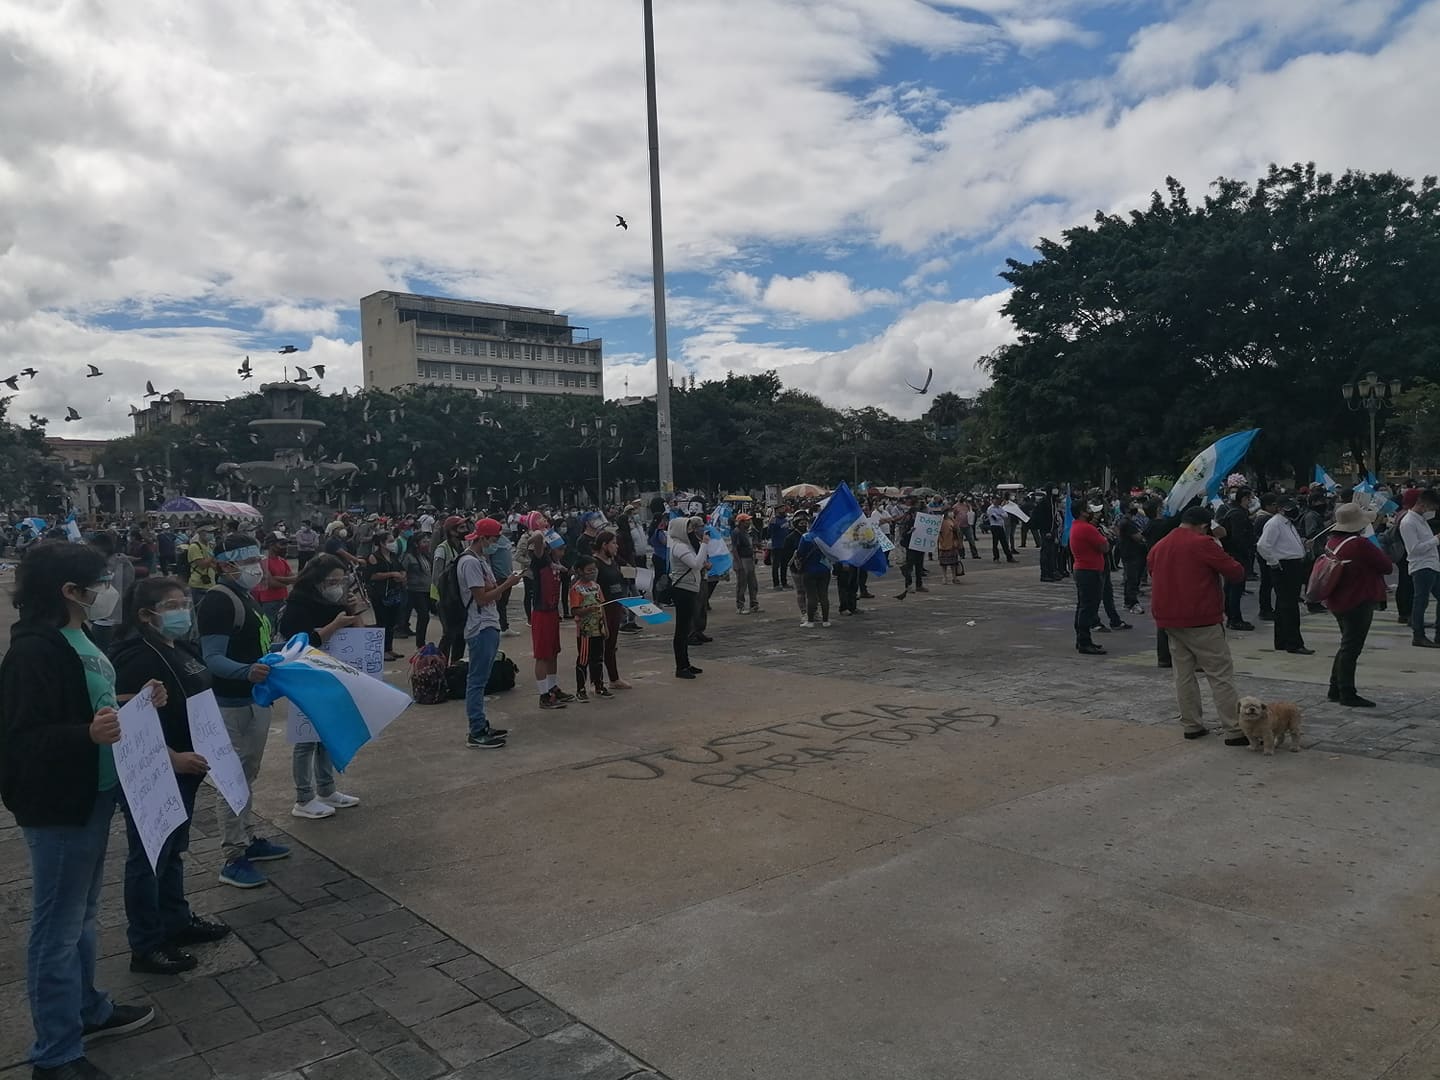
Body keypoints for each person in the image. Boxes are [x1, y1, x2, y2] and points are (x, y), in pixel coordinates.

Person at [0, 542, 162, 1077]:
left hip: (94, 795)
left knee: (84, 916)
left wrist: (138, 697)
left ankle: (88, 1008)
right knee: (57, 927)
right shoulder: (33, 652)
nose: (107, 589)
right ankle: (55, 1052)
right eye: (98, 581)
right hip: (58, 806)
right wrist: (85, 735)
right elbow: (21, 739)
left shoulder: (83, 638)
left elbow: (96, 705)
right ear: (69, 592)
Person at [110, 577, 233, 975]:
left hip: (188, 768)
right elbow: (126, 722)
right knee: (148, 857)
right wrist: (173, 757)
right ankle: (146, 943)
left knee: (173, 850)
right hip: (155, 770)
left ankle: (176, 920)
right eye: (172, 605)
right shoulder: (133, 656)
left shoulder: (179, 646)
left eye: (185, 603)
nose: (183, 611)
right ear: (147, 615)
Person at [198, 535, 288, 889]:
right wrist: (245, 671)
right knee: (231, 779)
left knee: (247, 774)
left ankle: (247, 838)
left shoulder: (244, 596)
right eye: (247, 560)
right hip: (230, 704)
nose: (256, 565)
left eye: (256, 557)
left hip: (254, 699)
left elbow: (255, 644)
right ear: (225, 565)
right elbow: (213, 658)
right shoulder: (218, 602)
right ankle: (232, 856)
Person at [1147, 505, 1248, 744]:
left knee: (1183, 673)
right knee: (1219, 673)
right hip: (1201, 617)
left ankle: (1191, 724)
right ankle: (1233, 729)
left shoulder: (1159, 546)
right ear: (1204, 526)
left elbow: (1153, 572)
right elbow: (1236, 572)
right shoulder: (1203, 544)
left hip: (1169, 618)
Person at [277, 555, 366, 814]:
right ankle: (304, 797)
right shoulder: (297, 606)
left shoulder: (333, 603)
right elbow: (299, 643)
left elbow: (359, 635)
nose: (337, 586)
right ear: (316, 581)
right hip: (305, 676)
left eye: (341, 581)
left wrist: (353, 610)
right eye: (331, 581)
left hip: (331, 673)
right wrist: (333, 625)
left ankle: (326, 789)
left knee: (325, 734)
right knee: (306, 739)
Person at [1321, 503, 1394, 707]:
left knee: (1346, 644)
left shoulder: (1332, 541)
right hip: (1358, 599)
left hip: (1337, 599)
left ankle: (1335, 688)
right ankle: (1347, 692)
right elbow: (1386, 566)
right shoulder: (1359, 544)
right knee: (1351, 647)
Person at [1255, 500, 1312, 655]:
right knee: (1289, 606)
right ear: (1280, 509)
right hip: (1284, 566)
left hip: (1293, 564)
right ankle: (1294, 643)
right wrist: (1273, 562)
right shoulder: (1275, 523)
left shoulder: (1288, 523)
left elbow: (1287, 543)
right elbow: (1263, 545)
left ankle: (1282, 640)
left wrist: (1303, 546)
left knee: (1283, 606)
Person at [525, 526, 572, 708]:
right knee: (543, 655)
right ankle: (543, 695)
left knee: (553, 653)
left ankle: (553, 688)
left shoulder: (556, 564)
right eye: (560, 548)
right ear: (550, 549)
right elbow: (537, 537)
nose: (563, 552)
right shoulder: (540, 561)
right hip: (541, 612)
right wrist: (536, 539)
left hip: (552, 612)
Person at [592, 530, 634, 689]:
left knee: (611, 645)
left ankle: (614, 678)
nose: (617, 547)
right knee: (598, 647)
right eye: (614, 543)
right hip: (602, 609)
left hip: (615, 607)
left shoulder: (613, 562)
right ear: (604, 545)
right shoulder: (595, 563)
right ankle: (596, 682)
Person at [1400, 489, 1440, 647]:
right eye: (1430, 507)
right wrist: (1436, 540)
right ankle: (1418, 635)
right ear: (1422, 504)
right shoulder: (1408, 522)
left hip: (1432, 564)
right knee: (1420, 602)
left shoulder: (1421, 520)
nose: (1431, 511)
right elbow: (1414, 549)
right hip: (1421, 566)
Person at [567, 556, 611, 701]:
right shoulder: (576, 589)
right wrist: (588, 609)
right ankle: (580, 689)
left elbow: (602, 607)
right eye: (589, 570)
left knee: (598, 658)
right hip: (585, 631)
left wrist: (605, 625)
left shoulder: (596, 586)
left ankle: (598, 685)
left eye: (594, 569)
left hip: (598, 628)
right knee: (583, 659)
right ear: (580, 571)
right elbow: (574, 610)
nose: (592, 572)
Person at [668, 515, 706, 679]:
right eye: (689, 528)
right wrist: (704, 544)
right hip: (683, 590)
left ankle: (686, 663)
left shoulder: (685, 545)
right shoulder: (679, 547)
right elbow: (696, 564)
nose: (692, 531)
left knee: (686, 627)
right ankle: (681, 666)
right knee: (682, 629)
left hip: (689, 588)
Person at [1068, 502, 1109, 655]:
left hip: (1083, 570)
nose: (1093, 513)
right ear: (1082, 512)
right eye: (1089, 510)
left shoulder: (1076, 526)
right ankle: (1084, 641)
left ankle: (1082, 640)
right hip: (1089, 571)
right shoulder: (1087, 528)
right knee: (1088, 607)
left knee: (1083, 606)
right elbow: (1105, 547)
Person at [88, 531, 133, 652]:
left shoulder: (103, 565)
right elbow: (130, 583)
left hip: (105, 616)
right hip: (120, 613)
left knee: (101, 650)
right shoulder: (123, 561)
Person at [365, 531, 406, 661]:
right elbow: (371, 576)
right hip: (380, 594)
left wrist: (402, 576)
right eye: (390, 541)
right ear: (382, 543)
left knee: (391, 622)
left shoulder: (393, 556)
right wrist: (392, 574)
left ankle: (389, 648)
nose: (393, 543)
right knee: (382, 622)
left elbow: (401, 568)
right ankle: (381, 650)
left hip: (394, 593)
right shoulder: (374, 557)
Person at [399, 533, 434, 648]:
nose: (427, 543)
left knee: (426, 615)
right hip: (414, 590)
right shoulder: (408, 557)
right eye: (424, 542)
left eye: (428, 541)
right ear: (416, 544)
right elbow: (402, 571)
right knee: (424, 615)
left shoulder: (427, 556)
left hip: (428, 590)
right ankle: (420, 644)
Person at [794, 526, 832, 628]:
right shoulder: (826, 536)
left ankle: (810, 621)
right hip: (824, 569)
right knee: (824, 595)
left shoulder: (806, 537)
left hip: (809, 570)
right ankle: (826, 621)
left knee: (811, 596)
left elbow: (800, 553)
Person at [253, 533, 294, 629]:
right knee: (270, 629)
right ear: (271, 545)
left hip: (282, 599)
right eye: (282, 544)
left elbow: (294, 578)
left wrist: (277, 578)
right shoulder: (263, 561)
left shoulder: (282, 560)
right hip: (268, 601)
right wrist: (287, 581)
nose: (285, 547)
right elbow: (271, 583)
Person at [1252, 493, 1280, 621]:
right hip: (1266, 555)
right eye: (1274, 505)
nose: (1276, 508)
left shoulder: (1265, 517)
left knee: (1267, 583)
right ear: (1267, 506)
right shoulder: (1264, 519)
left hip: (1266, 554)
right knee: (1267, 583)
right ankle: (1265, 609)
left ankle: (1267, 608)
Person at [732, 513, 760, 613]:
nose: (749, 522)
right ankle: (740, 606)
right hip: (742, 559)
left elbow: (751, 545)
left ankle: (754, 604)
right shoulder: (737, 532)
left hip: (749, 558)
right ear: (741, 522)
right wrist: (738, 563)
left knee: (753, 583)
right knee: (742, 584)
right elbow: (734, 549)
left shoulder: (747, 532)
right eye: (747, 520)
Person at [184, 524, 218, 607]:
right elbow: (202, 564)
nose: (212, 534)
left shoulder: (209, 546)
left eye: (213, 532)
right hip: (198, 585)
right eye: (209, 532)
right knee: (200, 610)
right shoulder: (194, 547)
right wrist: (213, 555)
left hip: (210, 583)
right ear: (201, 533)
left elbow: (215, 564)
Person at [986, 496, 1016, 562]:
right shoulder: (990, 509)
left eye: (998, 500)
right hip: (994, 526)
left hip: (1001, 526)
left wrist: (1000, 515)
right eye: (995, 500)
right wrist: (1000, 515)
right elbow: (995, 517)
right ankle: (996, 557)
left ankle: (1009, 557)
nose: (997, 501)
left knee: (1004, 542)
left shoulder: (1000, 508)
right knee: (995, 543)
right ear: (992, 500)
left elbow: (1006, 515)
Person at [937, 508, 963, 584]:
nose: (951, 513)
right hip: (943, 544)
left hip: (952, 544)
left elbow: (957, 530)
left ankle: (954, 577)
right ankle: (944, 577)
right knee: (943, 563)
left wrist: (959, 543)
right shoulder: (941, 522)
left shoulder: (952, 521)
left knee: (954, 563)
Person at [768, 507, 790, 590]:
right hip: (777, 546)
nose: (784, 510)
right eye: (782, 509)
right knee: (776, 566)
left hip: (785, 546)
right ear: (777, 511)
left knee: (784, 565)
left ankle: (784, 583)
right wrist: (771, 523)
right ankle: (776, 584)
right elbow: (769, 532)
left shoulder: (785, 520)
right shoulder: (774, 520)